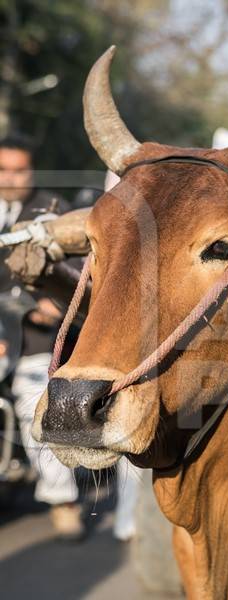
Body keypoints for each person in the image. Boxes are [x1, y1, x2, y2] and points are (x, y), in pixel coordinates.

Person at [0, 133, 83, 539]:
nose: (11, 178)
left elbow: (77, 273)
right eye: (3, 169)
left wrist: (53, 304)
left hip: (35, 338)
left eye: (19, 170)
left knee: (37, 404)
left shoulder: (53, 212)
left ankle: (63, 501)